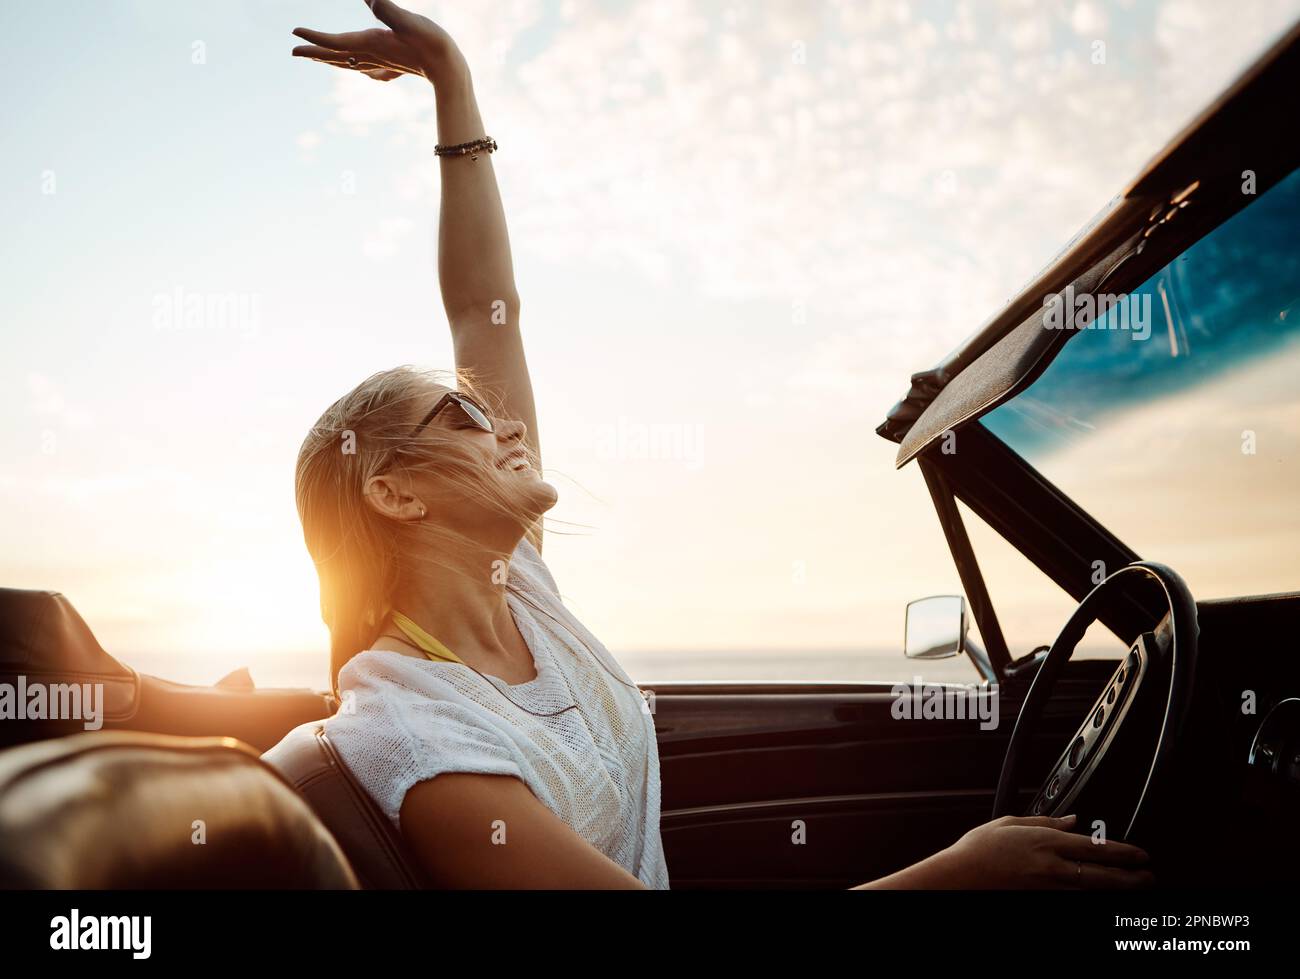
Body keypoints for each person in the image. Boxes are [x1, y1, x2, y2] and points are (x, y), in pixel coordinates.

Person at [289, 0, 1153, 890]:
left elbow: (483, 310)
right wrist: (965, 877)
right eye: (463, 416)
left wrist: (451, 80)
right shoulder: (416, 731)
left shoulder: (521, 590)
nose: (507, 421)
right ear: (394, 493)